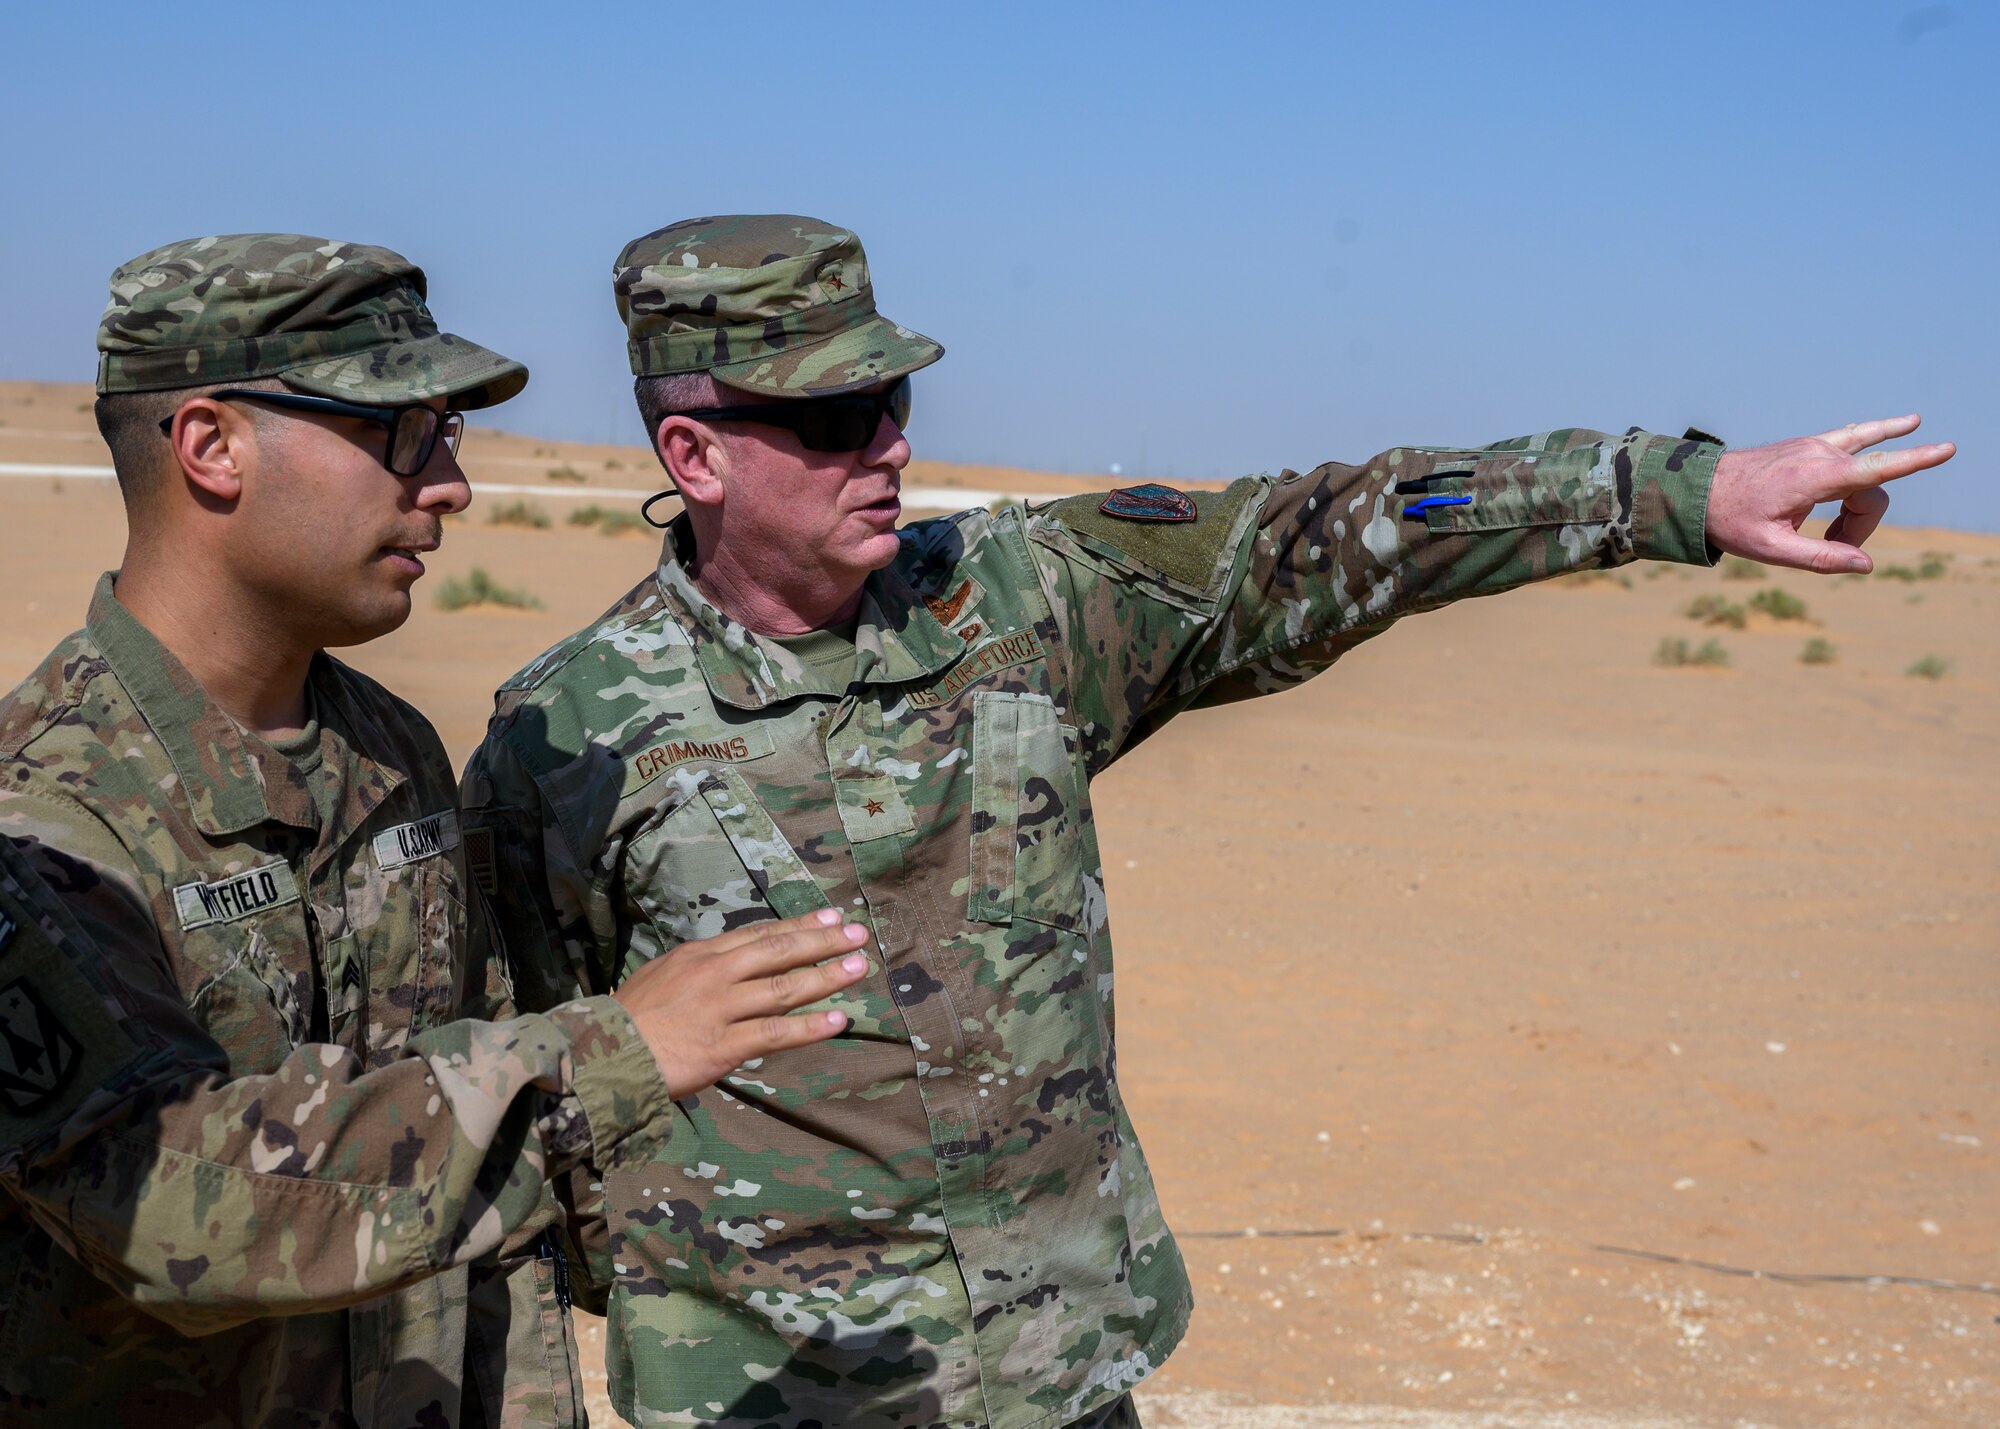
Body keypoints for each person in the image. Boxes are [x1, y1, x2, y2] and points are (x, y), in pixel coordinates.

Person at [460, 214, 1955, 1429]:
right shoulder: (567, 736)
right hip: (778, 1396)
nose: (891, 447)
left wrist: (1671, 490)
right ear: (695, 456)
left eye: (895, 399)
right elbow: (550, 1083)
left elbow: (1333, 528)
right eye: (834, 416)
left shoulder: (1033, 600)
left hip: (1063, 1375)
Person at [0, 233, 871, 1429]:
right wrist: (613, 1052)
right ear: (211, 446)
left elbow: (470, 1155)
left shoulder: (387, 751)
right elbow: (166, 1209)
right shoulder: (45, 817)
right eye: (402, 431)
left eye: (449, 434)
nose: (451, 483)